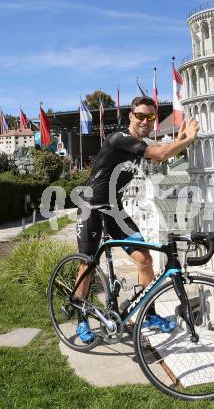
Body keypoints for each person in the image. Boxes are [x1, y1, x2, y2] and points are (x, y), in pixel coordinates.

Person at [75, 96, 199, 343]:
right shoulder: (119, 139)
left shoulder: (138, 144)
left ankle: (147, 314)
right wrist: (187, 140)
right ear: (131, 116)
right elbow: (161, 154)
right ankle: (81, 319)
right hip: (91, 206)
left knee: (145, 259)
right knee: (87, 264)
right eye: (139, 116)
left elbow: (160, 152)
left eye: (150, 117)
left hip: (114, 209)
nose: (144, 121)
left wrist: (179, 141)